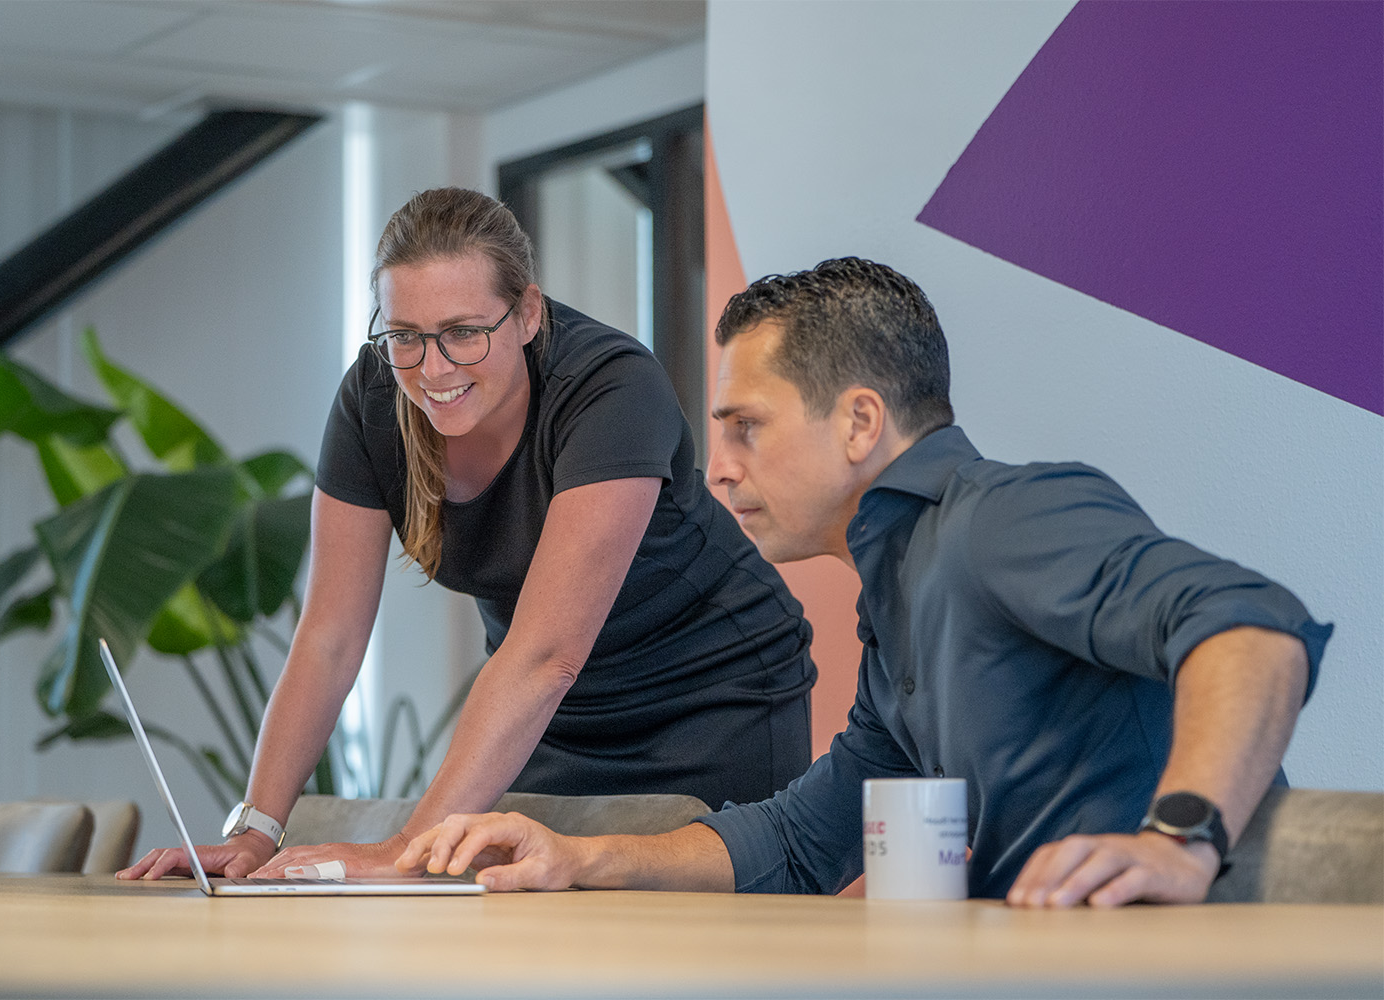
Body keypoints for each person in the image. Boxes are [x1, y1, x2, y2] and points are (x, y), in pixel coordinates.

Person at [395, 257, 1332, 906]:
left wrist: (1179, 843)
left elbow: (1251, 628)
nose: (719, 469)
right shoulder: (902, 603)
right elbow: (803, 840)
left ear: (859, 424)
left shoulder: (1001, 519)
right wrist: (576, 858)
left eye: (746, 427)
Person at [120, 188, 815, 881]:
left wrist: (404, 849)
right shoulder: (373, 399)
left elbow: (547, 655)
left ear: (527, 314)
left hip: (710, 698)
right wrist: (256, 834)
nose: (433, 368)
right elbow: (328, 639)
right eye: (405, 336)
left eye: (463, 332)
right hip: (553, 722)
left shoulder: (612, 388)